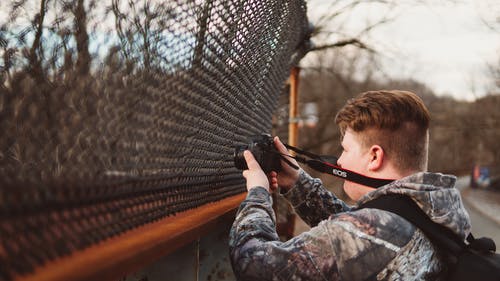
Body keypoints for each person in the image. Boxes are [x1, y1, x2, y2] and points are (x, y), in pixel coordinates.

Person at [229, 90, 471, 280]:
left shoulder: (371, 230)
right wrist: (296, 182)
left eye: (345, 150)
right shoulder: (433, 210)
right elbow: (364, 228)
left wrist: (257, 193)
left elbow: (252, 264)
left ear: (374, 157)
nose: (341, 160)